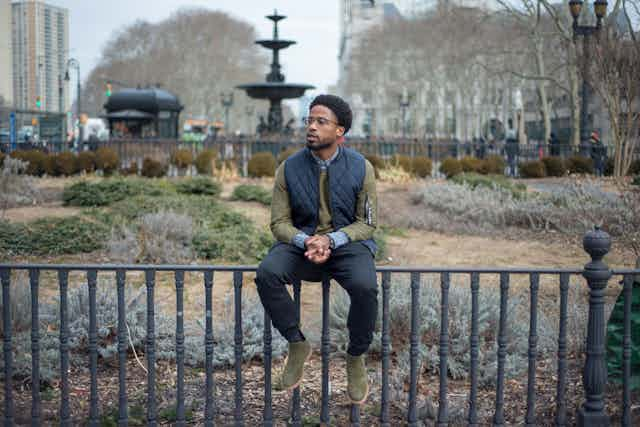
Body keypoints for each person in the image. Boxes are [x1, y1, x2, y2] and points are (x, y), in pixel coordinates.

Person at [255, 94, 378, 404]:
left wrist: (332, 240)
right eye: (309, 120)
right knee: (266, 273)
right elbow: (279, 223)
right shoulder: (288, 168)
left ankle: (356, 356)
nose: (311, 127)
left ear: (340, 131)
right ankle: (297, 344)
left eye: (320, 121)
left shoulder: (362, 168)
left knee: (365, 286)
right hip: (302, 244)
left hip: (348, 245)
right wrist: (305, 240)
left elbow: (367, 224)